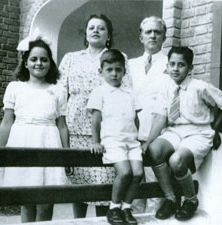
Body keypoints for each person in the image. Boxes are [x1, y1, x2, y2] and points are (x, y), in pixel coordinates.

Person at [142, 46, 222, 220]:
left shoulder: (199, 87)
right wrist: (148, 141)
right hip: (175, 131)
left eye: (181, 65)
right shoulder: (166, 88)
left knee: (176, 161)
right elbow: (161, 118)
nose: (175, 69)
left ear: (190, 68)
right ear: (167, 66)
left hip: (198, 133)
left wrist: (215, 129)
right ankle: (170, 199)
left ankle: (191, 200)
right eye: (172, 64)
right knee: (154, 150)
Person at [58, 14, 132, 218]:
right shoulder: (71, 58)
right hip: (75, 128)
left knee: (104, 182)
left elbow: (125, 92)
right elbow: (61, 93)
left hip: (106, 130)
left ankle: (103, 220)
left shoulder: (120, 57)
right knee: (79, 182)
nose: (96, 31)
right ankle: (78, 222)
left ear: (108, 34)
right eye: (91, 27)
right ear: (86, 33)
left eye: (101, 28)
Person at [0, 39, 69, 223]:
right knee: (26, 198)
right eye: (34, 59)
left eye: (44, 59)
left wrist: (67, 155)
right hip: (22, 141)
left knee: (46, 199)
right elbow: (6, 122)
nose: (39, 63)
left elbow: (62, 125)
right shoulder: (15, 88)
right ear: (25, 62)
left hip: (49, 142)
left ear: (50, 63)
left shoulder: (58, 90)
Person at [87, 49, 143, 225]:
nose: (114, 74)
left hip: (131, 141)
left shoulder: (130, 93)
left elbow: (136, 119)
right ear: (101, 71)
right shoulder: (100, 92)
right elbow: (96, 120)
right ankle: (114, 208)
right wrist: (95, 141)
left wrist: (138, 138)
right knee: (125, 172)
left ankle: (126, 207)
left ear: (124, 72)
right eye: (109, 69)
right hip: (113, 141)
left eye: (118, 70)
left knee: (138, 173)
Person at [127, 16, 172, 213]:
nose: (153, 35)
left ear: (164, 36)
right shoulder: (130, 64)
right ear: (141, 37)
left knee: (155, 191)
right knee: (134, 188)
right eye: (148, 32)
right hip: (133, 133)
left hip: (158, 133)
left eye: (157, 32)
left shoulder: (171, 63)